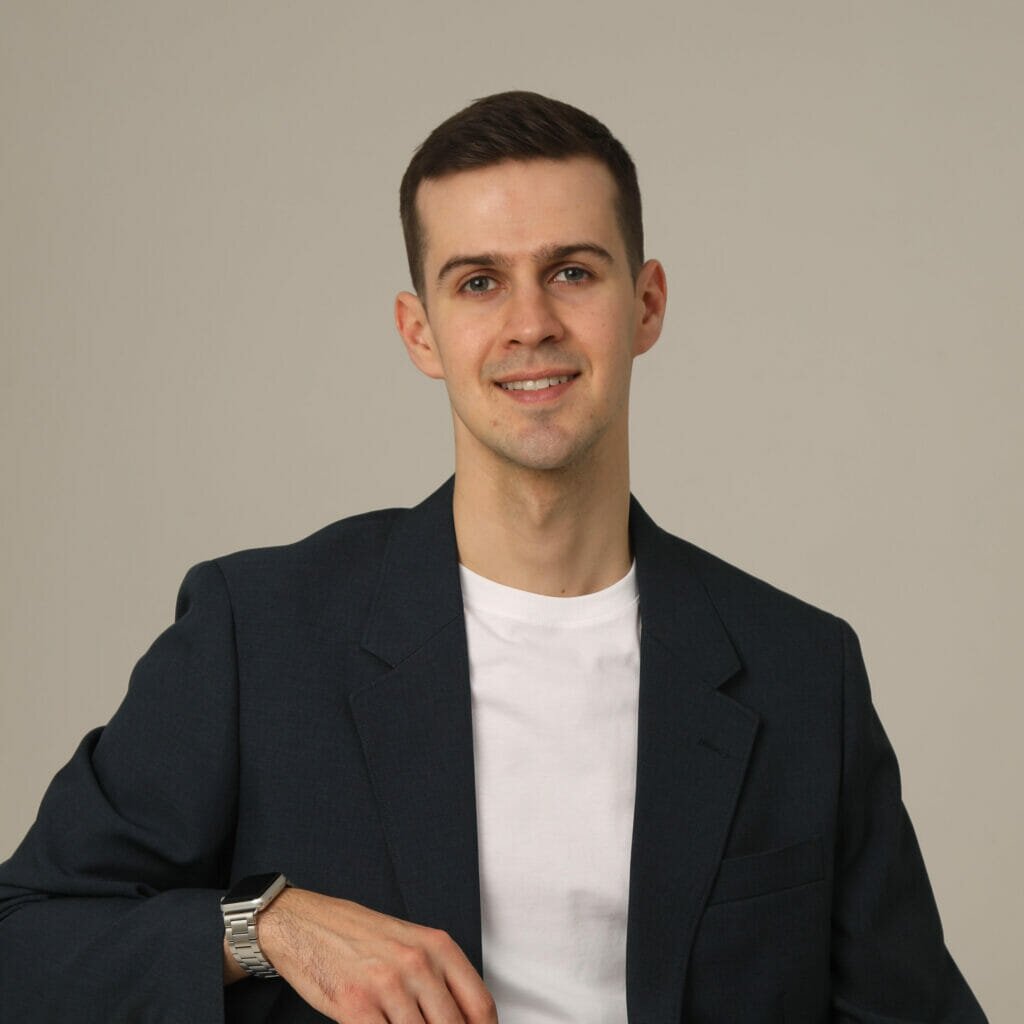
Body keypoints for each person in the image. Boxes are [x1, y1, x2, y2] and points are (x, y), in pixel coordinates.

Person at [0, 91, 986, 1024]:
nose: (530, 324)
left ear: (646, 304)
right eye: (479, 282)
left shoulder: (802, 671)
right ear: (420, 332)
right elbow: (23, 940)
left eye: (572, 271)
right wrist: (267, 926)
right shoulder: (257, 635)